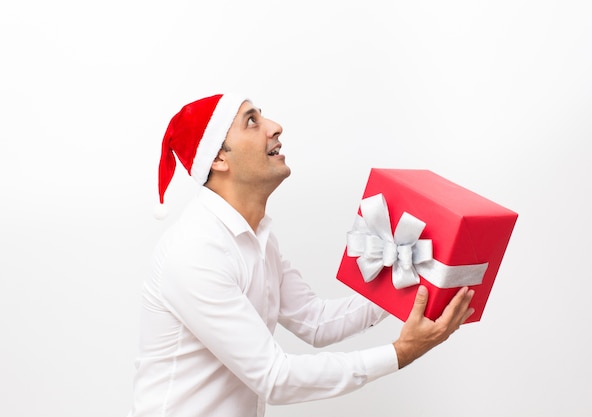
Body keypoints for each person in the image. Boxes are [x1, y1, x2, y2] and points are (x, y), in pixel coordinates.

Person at [128, 93, 475, 417]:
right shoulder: (195, 251)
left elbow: (316, 322)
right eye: (251, 121)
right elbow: (274, 378)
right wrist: (400, 353)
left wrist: (412, 280)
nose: (275, 126)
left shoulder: (258, 237)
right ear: (218, 158)